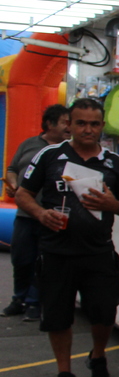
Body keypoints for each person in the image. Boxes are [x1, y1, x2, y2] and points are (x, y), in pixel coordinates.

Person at [15, 97, 119, 377]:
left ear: (102, 126)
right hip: (56, 252)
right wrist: (41, 213)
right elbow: (22, 193)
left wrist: (114, 205)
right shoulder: (49, 156)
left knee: (105, 313)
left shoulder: (113, 162)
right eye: (81, 123)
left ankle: (98, 356)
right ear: (69, 124)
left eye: (94, 124)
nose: (88, 130)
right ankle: (65, 374)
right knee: (57, 317)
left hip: (99, 253)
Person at [4, 104, 70, 320]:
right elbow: (12, 169)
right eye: (65, 122)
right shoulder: (29, 144)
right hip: (25, 214)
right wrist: (13, 184)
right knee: (21, 258)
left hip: (51, 217)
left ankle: (34, 302)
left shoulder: (70, 150)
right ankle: (18, 298)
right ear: (50, 124)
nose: (69, 127)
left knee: (43, 262)